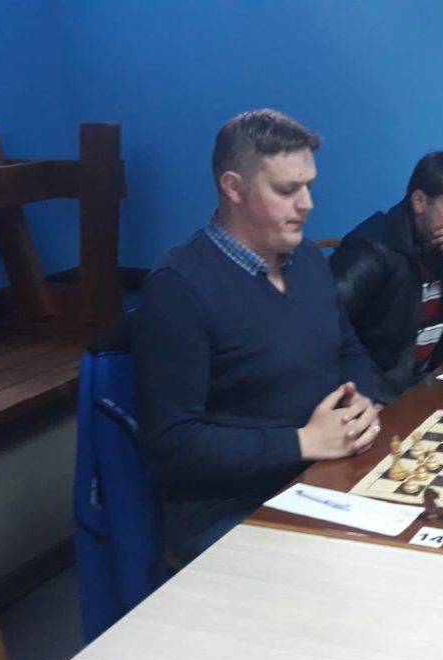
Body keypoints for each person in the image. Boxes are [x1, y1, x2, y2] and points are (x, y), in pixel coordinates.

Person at [134, 109, 380, 565]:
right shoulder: (178, 288)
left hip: (324, 475)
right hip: (230, 507)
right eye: (287, 190)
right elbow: (173, 443)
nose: (307, 204)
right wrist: (303, 442)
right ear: (233, 187)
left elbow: (347, 348)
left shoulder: (308, 260)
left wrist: (363, 400)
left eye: (309, 186)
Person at [330, 151, 443, 402]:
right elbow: (322, 331)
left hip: (437, 382)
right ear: (419, 201)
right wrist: (362, 395)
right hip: (382, 395)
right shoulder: (370, 249)